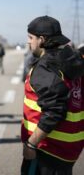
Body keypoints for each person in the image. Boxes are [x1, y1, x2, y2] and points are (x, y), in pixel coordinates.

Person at [21, 16, 84, 175]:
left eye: (30, 37)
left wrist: (31, 144)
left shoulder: (46, 68)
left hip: (48, 150)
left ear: (41, 40)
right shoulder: (71, 60)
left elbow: (55, 111)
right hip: (69, 149)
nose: (28, 42)